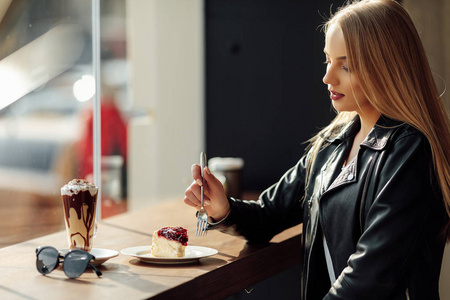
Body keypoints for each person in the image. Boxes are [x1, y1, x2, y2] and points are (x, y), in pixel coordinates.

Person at [184, 0, 450, 299]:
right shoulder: (332, 142)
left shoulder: (412, 153)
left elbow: (368, 281)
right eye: (328, 60)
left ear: (386, 68)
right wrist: (222, 208)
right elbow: (269, 214)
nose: (328, 77)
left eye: (346, 66)